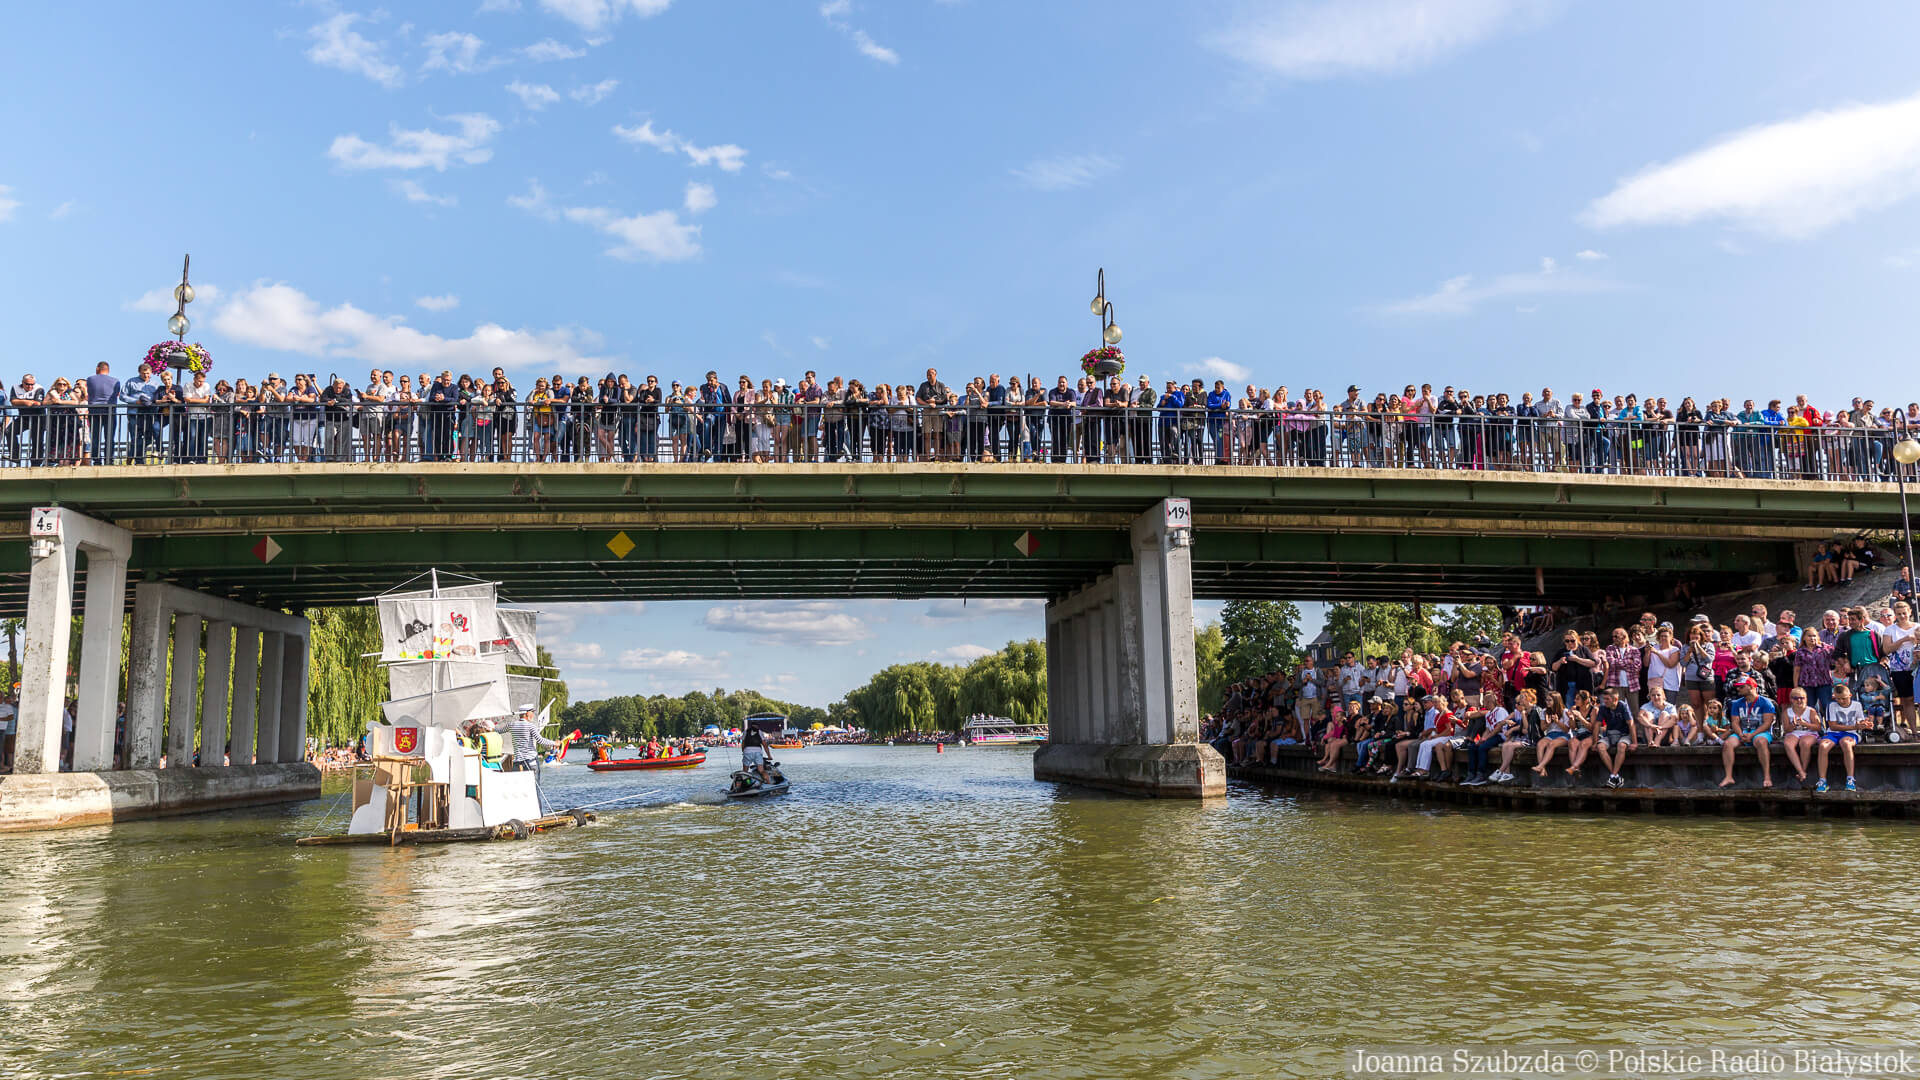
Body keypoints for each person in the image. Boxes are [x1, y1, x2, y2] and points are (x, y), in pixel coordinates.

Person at [1816, 683, 1867, 793]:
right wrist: (1855, 726)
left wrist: (1865, 724)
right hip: (1833, 733)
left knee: (1846, 744)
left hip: (1850, 733)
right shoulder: (1831, 705)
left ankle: (1850, 779)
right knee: (1823, 746)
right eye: (1838, 699)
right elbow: (1833, 726)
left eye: (1844, 698)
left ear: (1850, 695)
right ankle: (1822, 780)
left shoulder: (1857, 705)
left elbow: (1860, 720)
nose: (1841, 701)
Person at [1592, 686, 1635, 788]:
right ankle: (1615, 775)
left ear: (1615, 699)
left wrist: (1635, 743)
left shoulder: (1623, 706)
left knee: (1622, 746)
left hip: (1624, 735)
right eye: (1604, 699)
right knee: (1600, 747)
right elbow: (1597, 725)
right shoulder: (1603, 708)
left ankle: (1613, 775)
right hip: (1610, 735)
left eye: (1607, 699)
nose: (1605, 701)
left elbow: (1631, 724)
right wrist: (1595, 742)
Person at [503, 703, 559, 776]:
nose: (533, 714)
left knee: (517, 783)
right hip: (530, 762)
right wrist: (555, 743)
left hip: (517, 763)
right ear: (527, 713)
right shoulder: (531, 726)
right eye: (532, 712)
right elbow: (540, 740)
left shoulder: (511, 725)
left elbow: (498, 730)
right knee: (534, 783)